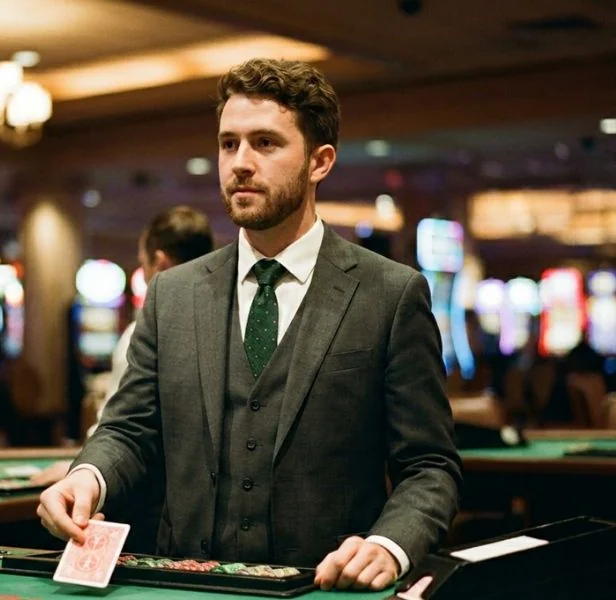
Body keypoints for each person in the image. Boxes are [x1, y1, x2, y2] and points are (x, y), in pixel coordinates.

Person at [38, 58, 462, 592]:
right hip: (184, 585)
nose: (240, 163)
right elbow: (129, 429)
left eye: (265, 143)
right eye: (228, 144)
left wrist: (389, 544)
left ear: (319, 162)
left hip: (323, 587)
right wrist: (87, 476)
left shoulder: (390, 294)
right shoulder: (172, 294)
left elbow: (429, 466)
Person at [31, 205, 214, 486]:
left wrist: (82, 470)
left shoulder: (143, 332)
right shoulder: (231, 318)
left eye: (143, 264)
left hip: (152, 493)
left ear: (160, 263)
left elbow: (119, 428)